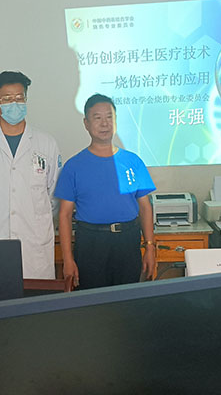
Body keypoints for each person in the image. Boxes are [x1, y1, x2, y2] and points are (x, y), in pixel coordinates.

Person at [0, 71, 61, 279]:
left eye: (19, 97)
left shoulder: (46, 143)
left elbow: (54, 195)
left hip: (35, 243)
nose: (14, 104)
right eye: (7, 99)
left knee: (37, 295)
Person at [55, 94, 156, 289]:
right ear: (86, 123)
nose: (104, 123)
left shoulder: (133, 161)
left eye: (109, 117)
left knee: (127, 300)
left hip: (128, 241)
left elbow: (145, 207)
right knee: (94, 302)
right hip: (90, 243)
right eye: (97, 118)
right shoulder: (73, 166)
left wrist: (150, 247)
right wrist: (67, 259)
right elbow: (64, 215)